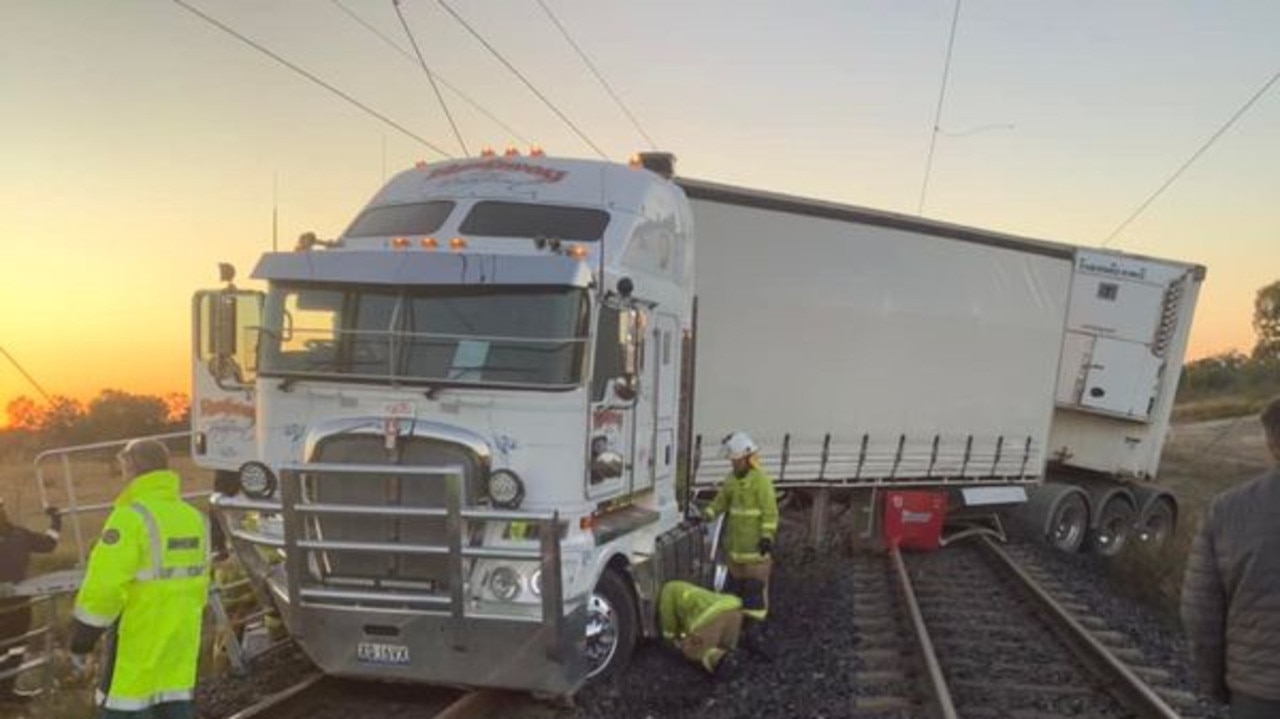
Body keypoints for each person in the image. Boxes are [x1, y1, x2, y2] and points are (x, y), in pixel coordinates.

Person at [69, 439, 210, 719]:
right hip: (180, 641)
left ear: (130, 465)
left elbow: (105, 587)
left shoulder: (130, 518)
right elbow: (201, 582)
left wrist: (82, 639)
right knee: (174, 706)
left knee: (125, 707)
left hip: (136, 640)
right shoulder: (195, 518)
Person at [1181, 396, 1280, 719]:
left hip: (1258, 694)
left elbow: (1201, 615)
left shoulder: (1226, 510)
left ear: (1271, 443)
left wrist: (1216, 683)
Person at [701, 431, 779, 656]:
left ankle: (756, 635)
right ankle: (737, 633)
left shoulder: (761, 481)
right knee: (735, 596)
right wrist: (706, 514)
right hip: (735, 554)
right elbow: (720, 503)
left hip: (756, 555)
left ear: (745, 458)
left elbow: (770, 513)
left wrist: (767, 537)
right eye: (732, 460)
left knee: (756, 597)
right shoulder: (731, 481)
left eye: (735, 460)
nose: (733, 463)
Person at [0, 499, 61, 702]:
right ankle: (5, 691)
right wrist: (56, 520)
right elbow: (49, 544)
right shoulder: (19, 535)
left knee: (13, 648)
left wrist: (56, 521)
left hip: (17, 605)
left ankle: (6, 692)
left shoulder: (20, 535)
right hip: (13, 606)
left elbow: (48, 545)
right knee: (10, 648)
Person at [658, 580, 744, 678]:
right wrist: (671, 637)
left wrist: (672, 639)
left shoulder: (702, 636)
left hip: (720, 610)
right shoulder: (724, 638)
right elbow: (669, 625)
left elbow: (681, 641)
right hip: (727, 607)